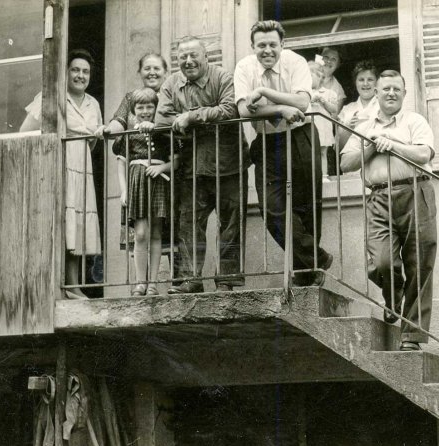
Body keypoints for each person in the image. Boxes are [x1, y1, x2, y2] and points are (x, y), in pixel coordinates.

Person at [340, 70, 437, 351]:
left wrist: (392, 145)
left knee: (420, 263)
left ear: (404, 94)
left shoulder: (414, 121)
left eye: (396, 89)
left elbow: (424, 154)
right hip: (379, 196)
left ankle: (412, 337)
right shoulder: (365, 126)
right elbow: (346, 163)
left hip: (415, 191)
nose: (391, 93)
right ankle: (393, 297)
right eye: (385, 89)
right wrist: (371, 146)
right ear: (376, 94)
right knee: (381, 261)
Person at [234, 20, 332, 286]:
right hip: (266, 142)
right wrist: (280, 109)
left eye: (272, 45)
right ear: (253, 46)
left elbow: (302, 102)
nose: (267, 51)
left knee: (307, 207)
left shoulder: (295, 62)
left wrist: (265, 93)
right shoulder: (244, 67)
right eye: (261, 45)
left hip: (300, 136)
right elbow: (243, 110)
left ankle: (305, 275)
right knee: (272, 209)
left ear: (282, 45)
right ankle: (317, 260)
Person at [155, 36, 247, 294]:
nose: (188, 61)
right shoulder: (171, 84)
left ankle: (227, 281)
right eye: (182, 57)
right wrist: (194, 121)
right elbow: (162, 120)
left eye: (193, 55)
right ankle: (189, 280)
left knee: (231, 223)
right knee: (188, 223)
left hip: (230, 163)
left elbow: (230, 110)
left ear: (206, 57)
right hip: (191, 165)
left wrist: (191, 117)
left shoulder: (223, 77)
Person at [20, 49, 105, 299]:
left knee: (77, 224)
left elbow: (93, 142)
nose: (81, 75)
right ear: (65, 72)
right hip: (58, 163)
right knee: (58, 220)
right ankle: (51, 286)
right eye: (75, 70)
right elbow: (26, 132)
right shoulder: (51, 96)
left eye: (85, 71)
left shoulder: (93, 104)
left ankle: (72, 286)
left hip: (83, 167)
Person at [110, 87, 179, 296]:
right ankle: (140, 282)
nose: (146, 111)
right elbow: (121, 163)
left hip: (158, 182)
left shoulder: (163, 132)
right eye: (140, 107)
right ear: (133, 110)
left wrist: (161, 168)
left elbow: (176, 161)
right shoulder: (130, 133)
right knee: (140, 234)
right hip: (137, 182)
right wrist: (123, 191)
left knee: (156, 233)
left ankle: (153, 284)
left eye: (150, 106)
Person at [105, 53, 169, 134]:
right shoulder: (131, 97)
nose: (152, 72)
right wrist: (107, 130)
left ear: (165, 72)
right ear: (140, 72)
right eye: (147, 69)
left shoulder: (170, 96)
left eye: (156, 68)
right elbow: (119, 120)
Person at [337, 60, 380, 148]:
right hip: (352, 158)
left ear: (377, 83)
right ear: (355, 82)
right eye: (361, 80)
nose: (365, 83)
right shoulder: (347, 109)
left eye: (370, 79)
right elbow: (337, 148)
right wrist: (349, 128)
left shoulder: (383, 106)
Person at [308, 60, 338, 179]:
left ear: (320, 76)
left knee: (322, 152)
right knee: (308, 152)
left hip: (323, 127)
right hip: (308, 126)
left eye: (309, 75)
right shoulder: (304, 93)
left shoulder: (329, 93)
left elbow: (334, 109)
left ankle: (323, 176)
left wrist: (322, 100)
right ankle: (310, 177)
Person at [320, 47, 346, 176]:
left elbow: (335, 115)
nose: (328, 61)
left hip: (324, 130)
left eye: (333, 59)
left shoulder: (338, 89)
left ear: (338, 64)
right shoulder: (307, 75)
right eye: (326, 57)